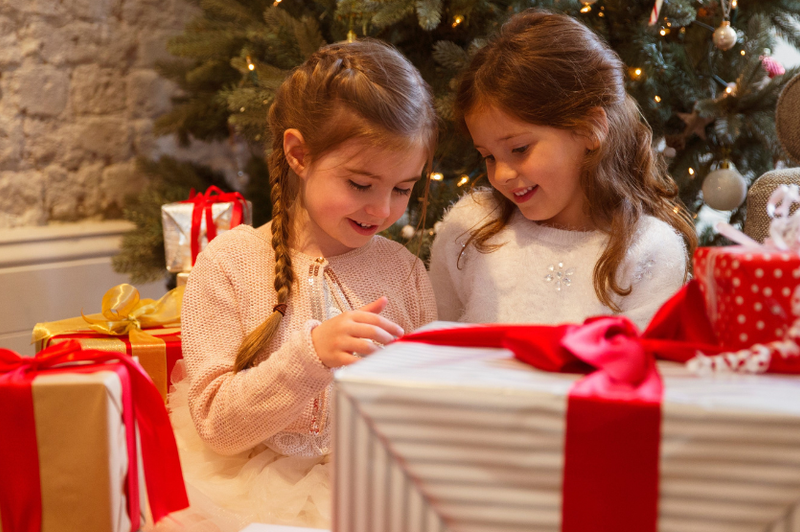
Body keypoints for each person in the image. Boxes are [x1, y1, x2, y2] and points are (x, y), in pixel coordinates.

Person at [163, 39, 438, 531]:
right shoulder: (229, 264)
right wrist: (310, 357)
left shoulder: (405, 273)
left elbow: (427, 411)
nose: (383, 210)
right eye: (360, 184)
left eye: (403, 189)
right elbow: (217, 426)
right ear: (298, 154)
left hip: (376, 490)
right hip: (247, 497)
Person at [429, 10, 696, 331]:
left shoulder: (648, 248)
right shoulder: (470, 225)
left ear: (589, 128)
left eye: (519, 149)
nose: (501, 175)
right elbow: (430, 338)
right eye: (488, 156)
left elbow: (643, 367)